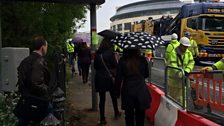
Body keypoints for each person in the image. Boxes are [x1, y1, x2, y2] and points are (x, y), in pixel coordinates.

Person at [15, 36, 52, 126]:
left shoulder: (25, 60)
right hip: (36, 99)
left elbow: (21, 78)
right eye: (46, 46)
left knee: (24, 119)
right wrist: (47, 90)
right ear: (42, 47)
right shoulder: (38, 61)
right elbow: (36, 83)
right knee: (49, 113)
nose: (46, 49)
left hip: (26, 98)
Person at [115, 49, 152, 126]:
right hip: (141, 90)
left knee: (129, 116)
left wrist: (117, 92)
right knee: (140, 117)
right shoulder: (142, 59)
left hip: (128, 90)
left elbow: (118, 78)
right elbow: (146, 74)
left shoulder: (122, 60)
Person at [94, 38, 121, 125]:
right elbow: (115, 65)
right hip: (109, 78)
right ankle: (116, 112)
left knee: (102, 99)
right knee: (113, 96)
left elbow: (95, 66)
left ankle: (102, 118)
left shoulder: (97, 53)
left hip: (99, 78)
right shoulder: (110, 53)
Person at [166, 37, 195, 103]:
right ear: (180, 45)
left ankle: (183, 110)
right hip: (174, 82)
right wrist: (182, 74)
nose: (186, 48)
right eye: (185, 46)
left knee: (183, 98)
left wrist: (186, 71)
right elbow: (173, 66)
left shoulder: (188, 53)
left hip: (183, 80)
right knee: (173, 99)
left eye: (187, 46)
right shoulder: (173, 53)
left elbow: (191, 62)